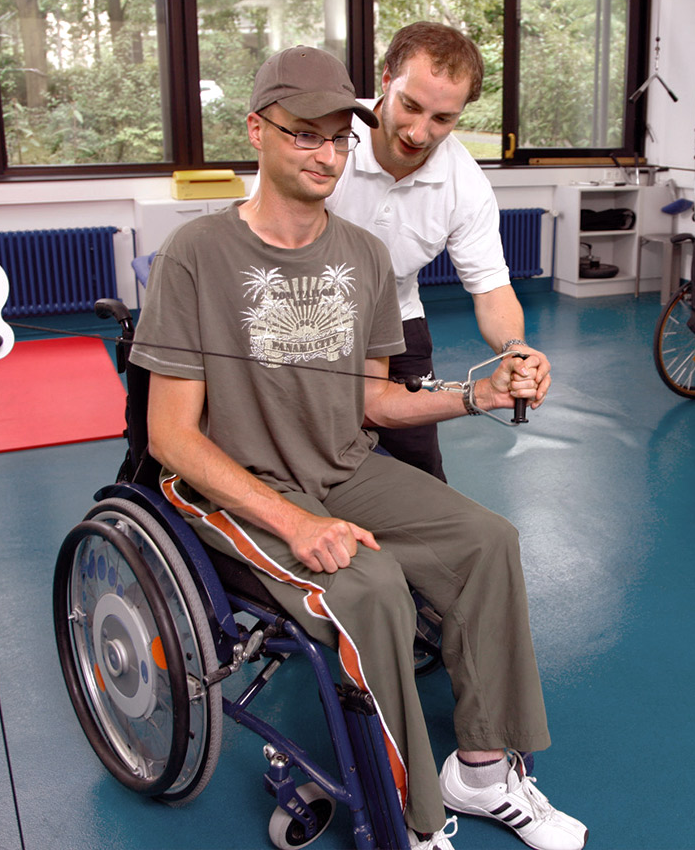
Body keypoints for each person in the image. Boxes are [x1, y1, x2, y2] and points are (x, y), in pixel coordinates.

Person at [131, 46, 585, 850]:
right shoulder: (196, 255)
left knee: (488, 541)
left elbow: (372, 399)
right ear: (258, 133)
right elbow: (169, 435)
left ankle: (479, 773)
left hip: (342, 466)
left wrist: (478, 393)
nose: (326, 154)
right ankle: (410, 821)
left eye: (337, 137)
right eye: (303, 134)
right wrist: (294, 523)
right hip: (241, 487)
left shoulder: (363, 255)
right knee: (371, 585)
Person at [327, 21, 550, 482]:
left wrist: (516, 348)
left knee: (422, 476)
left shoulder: (464, 184)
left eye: (442, 119)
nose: (419, 132)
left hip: (396, 321)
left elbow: (491, 288)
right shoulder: (328, 141)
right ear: (386, 79)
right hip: (308, 313)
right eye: (410, 106)